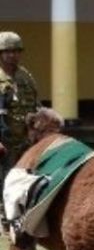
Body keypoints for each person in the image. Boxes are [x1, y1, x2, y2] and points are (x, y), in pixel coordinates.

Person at [0, 31, 41, 164]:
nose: (12, 55)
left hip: (24, 142)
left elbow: (36, 105)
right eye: (8, 51)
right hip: (3, 141)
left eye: (16, 51)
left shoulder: (25, 76)